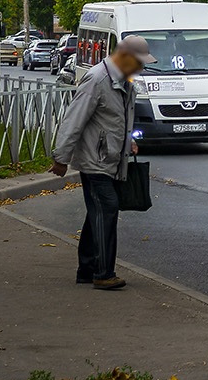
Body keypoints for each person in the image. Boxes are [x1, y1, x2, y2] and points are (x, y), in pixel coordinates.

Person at [48, 35, 153, 290]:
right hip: (95, 160)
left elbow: (119, 120)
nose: (141, 68)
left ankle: (86, 269)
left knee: (97, 212)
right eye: (139, 63)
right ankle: (103, 273)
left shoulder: (124, 82)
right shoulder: (97, 79)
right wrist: (61, 158)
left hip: (111, 159)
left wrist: (128, 143)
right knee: (107, 207)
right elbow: (73, 120)